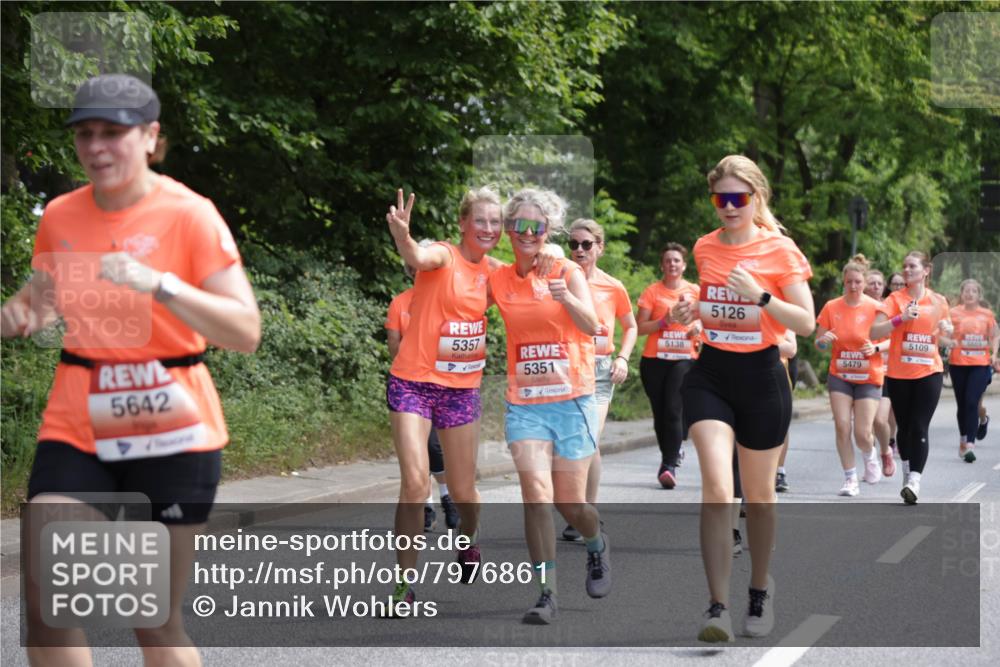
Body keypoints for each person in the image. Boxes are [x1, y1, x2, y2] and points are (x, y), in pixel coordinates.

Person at [3, 74, 261, 667]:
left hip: (175, 427)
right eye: (85, 134)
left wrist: (163, 285)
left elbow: (245, 331)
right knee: (47, 605)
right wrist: (16, 316)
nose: (96, 147)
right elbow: (34, 305)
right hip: (79, 421)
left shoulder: (190, 216)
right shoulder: (62, 216)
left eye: (113, 133)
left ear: (150, 137)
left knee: (154, 621)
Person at [675, 155, 814, 642]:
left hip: (762, 378)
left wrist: (760, 296)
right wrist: (693, 307)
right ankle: (717, 606)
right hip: (710, 373)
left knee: (759, 498)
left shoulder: (781, 250)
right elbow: (710, 303)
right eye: (721, 198)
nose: (729, 206)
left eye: (739, 198)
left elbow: (807, 323)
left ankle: (759, 587)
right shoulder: (705, 247)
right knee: (717, 488)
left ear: (756, 199)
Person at [487, 188, 609, 625]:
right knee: (536, 497)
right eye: (517, 224)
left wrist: (565, 296)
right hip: (526, 405)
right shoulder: (498, 278)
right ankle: (546, 592)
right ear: (507, 229)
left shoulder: (566, 270)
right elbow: (458, 291)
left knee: (570, 504)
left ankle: (596, 544)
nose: (526, 233)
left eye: (535, 226)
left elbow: (594, 325)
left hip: (572, 400)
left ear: (547, 231)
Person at [384, 186, 502, 609]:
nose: (488, 228)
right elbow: (418, 256)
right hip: (413, 382)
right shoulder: (443, 254)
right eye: (480, 220)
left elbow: (535, 281)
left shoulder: (497, 273)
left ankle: (468, 541)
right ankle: (404, 586)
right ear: (463, 224)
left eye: (495, 222)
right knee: (415, 484)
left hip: (461, 392)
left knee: (465, 492)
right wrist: (403, 236)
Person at [559, 219, 637, 541]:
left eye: (586, 244)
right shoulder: (558, 280)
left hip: (600, 369)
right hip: (565, 369)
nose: (579, 250)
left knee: (590, 439)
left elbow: (630, 326)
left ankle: (586, 511)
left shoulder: (613, 286)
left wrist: (623, 358)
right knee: (571, 442)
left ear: (599, 248)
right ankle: (578, 508)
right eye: (574, 244)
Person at [870, 251, 952, 504]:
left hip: (929, 372)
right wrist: (900, 319)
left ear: (926, 270)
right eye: (904, 266)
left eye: (912, 266)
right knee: (904, 429)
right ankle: (907, 472)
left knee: (919, 425)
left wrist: (948, 332)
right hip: (898, 373)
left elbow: (947, 338)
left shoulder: (939, 301)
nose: (906, 270)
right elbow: (874, 332)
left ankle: (915, 480)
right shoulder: (895, 299)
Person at [385, 256, 460, 531]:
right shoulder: (400, 303)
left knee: (435, 447)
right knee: (417, 449)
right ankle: (426, 504)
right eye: (418, 269)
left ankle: (446, 494)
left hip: (443, 384)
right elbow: (394, 342)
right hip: (409, 385)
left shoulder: (448, 301)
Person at [815, 256, 887, 496]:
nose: (853, 286)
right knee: (842, 426)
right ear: (843, 283)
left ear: (864, 282)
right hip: (840, 375)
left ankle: (870, 455)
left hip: (868, 376)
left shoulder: (876, 308)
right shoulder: (831, 307)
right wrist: (823, 341)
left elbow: (892, 340)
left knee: (862, 433)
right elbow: (819, 343)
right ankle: (850, 479)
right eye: (849, 282)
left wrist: (875, 348)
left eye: (857, 281)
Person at [635, 243, 700, 489]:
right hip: (654, 360)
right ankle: (670, 456)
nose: (672, 264)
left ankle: (668, 465)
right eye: (668, 260)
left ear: (683, 265)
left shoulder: (695, 291)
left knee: (674, 408)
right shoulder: (652, 292)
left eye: (676, 260)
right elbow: (640, 327)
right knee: (660, 412)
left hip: (684, 359)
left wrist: (698, 329)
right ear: (662, 265)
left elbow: (706, 321)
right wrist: (664, 321)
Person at [942, 279, 1000, 462]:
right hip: (958, 363)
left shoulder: (987, 314)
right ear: (962, 294)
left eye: (973, 291)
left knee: (971, 401)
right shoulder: (953, 313)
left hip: (980, 364)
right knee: (962, 404)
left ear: (979, 295)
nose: (969, 294)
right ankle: (963, 439)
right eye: (966, 291)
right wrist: (948, 342)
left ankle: (970, 445)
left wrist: (994, 353)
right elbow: (943, 335)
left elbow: (995, 335)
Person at [867, 269, 897, 476]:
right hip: (857, 372)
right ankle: (870, 461)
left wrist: (878, 348)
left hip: (885, 371)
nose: (876, 287)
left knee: (879, 420)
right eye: (872, 283)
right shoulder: (851, 306)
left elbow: (895, 339)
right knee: (863, 427)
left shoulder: (889, 308)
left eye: (879, 283)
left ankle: (886, 450)